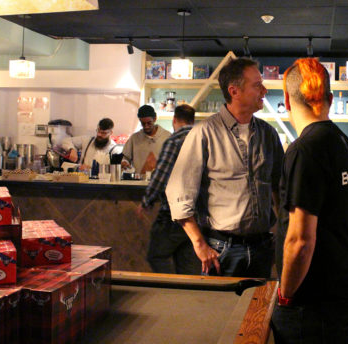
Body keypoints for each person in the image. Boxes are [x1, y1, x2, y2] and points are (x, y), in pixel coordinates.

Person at [271, 58, 348, 343]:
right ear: (331, 99)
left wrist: (286, 295)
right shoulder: (341, 141)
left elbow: (300, 240)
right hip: (342, 286)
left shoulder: (304, 150)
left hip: (313, 300)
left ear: (287, 100)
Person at [166, 57, 284, 278]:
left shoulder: (268, 134)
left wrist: (282, 233)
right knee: (220, 302)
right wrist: (199, 244)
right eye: (257, 85)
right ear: (234, 91)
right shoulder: (204, 133)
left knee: (259, 301)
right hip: (221, 250)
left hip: (262, 247)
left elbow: (279, 186)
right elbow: (179, 193)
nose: (264, 90)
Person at [137, 104, 201, 274]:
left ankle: (168, 287)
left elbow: (161, 174)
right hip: (197, 214)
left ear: (174, 120)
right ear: (193, 121)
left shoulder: (174, 141)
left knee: (156, 256)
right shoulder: (203, 140)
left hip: (173, 212)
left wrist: (147, 200)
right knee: (186, 264)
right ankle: (182, 290)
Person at [121, 105, 171, 174]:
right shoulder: (134, 138)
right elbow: (125, 157)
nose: (146, 126)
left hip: (161, 179)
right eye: (143, 123)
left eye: (149, 123)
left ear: (155, 119)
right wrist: (124, 162)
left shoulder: (167, 137)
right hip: (139, 179)